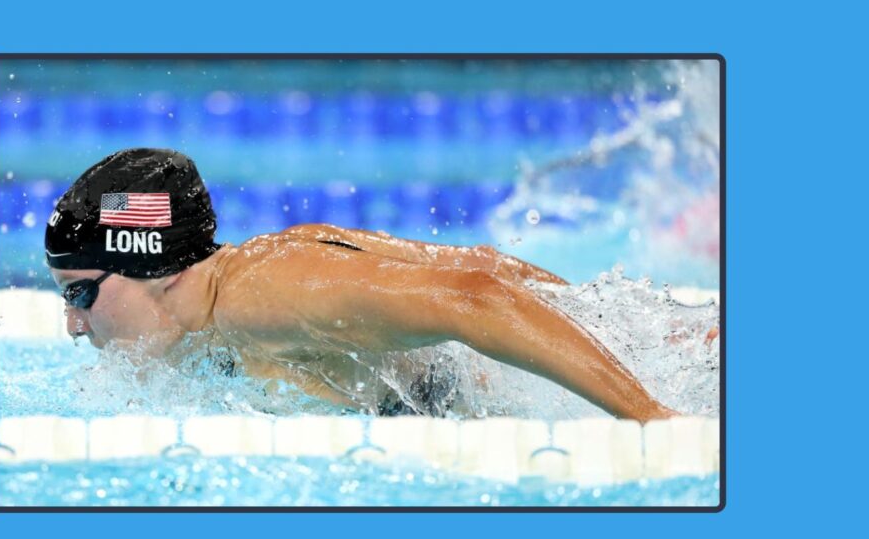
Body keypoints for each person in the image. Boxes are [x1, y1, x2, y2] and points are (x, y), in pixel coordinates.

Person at [45, 148, 678, 422]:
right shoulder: (247, 278)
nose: (74, 324)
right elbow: (484, 263)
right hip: (637, 353)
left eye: (80, 293)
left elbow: (476, 295)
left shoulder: (261, 296)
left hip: (552, 396)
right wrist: (632, 330)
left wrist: (650, 416)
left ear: (156, 267)